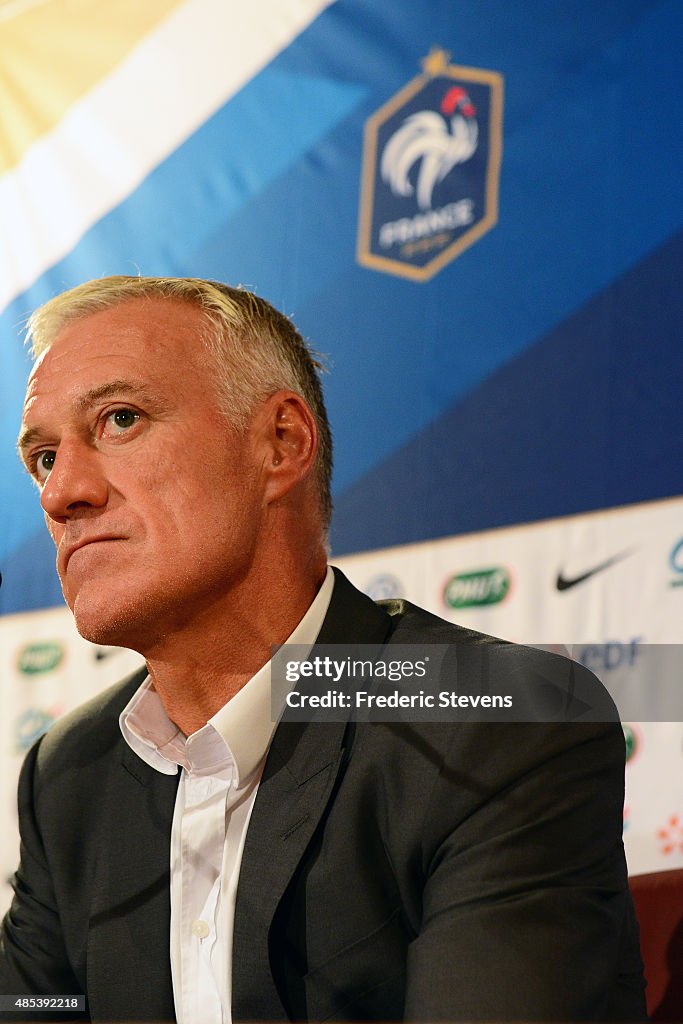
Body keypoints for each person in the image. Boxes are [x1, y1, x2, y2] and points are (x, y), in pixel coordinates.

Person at [1, 276, 646, 1023]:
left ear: (281, 443)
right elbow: (36, 1005)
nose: (61, 494)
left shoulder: (497, 723)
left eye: (120, 419)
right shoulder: (67, 774)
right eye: (43, 458)